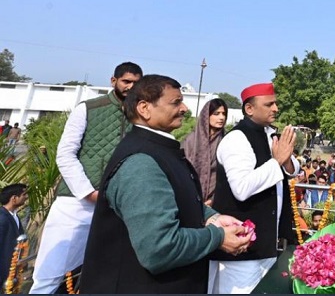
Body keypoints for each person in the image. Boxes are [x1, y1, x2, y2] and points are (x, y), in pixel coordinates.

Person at [80, 74, 252, 293]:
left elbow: (174, 199)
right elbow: (160, 248)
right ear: (144, 108)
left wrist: (211, 217)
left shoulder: (160, 150)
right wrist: (217, 237)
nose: (185, 108)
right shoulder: (141, 162)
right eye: (175, 102)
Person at [29, 62, 143, 294]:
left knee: (103, 275)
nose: (131, 87)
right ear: (114, 81)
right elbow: (65, 154)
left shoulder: (141, 116)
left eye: (136, 83)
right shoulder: (89, 108)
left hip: (116, 207)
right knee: (49, 276)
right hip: (76, 202)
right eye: (126, 81)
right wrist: (88, 192)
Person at [210, 82, 301, 294]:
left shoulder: (269, 134)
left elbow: (293, 167)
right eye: (269, 104)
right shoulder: (236, 139)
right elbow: (241, 188)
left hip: (268, 247)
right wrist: (277, 162)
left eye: (275, 103)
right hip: (241, 252)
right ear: (249, 109)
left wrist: (285, 160)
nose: (276, 108)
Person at [182, 98, 228, 205]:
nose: (221, 117)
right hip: (188, 198)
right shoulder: (191, 140)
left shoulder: (226, 142)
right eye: (216, 114)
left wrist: (213, 200)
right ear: (206, 116)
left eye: (223, 114)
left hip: (215, 201)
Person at [0, 184, 28, 287]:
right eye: (24, 194)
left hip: (12, 273)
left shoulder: (14, 216)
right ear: (14, 198)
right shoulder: (2, 218)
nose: (26, 197)